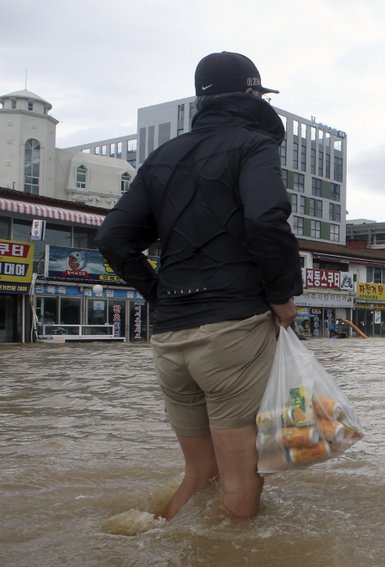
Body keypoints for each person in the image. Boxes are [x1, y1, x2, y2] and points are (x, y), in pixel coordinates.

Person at [96, 52, 303, 520]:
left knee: (200, 474)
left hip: (170, 338)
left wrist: (157, 294)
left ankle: (155, 545)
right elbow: (267, 218)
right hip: (232, 332)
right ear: (252, 94)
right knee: (241, 479)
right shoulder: (253, 144)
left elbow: (112, 238)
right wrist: (280, 294)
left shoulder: (162, 157)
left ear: (200, 100)